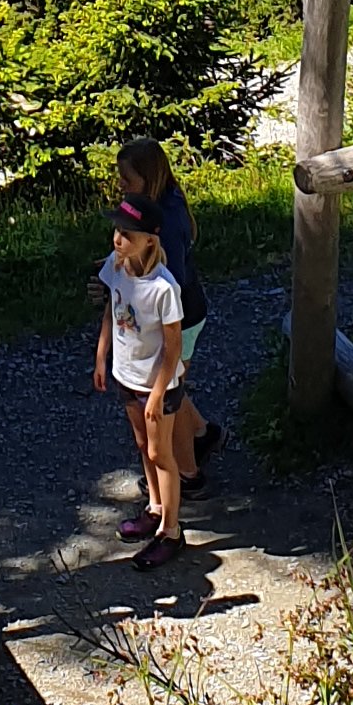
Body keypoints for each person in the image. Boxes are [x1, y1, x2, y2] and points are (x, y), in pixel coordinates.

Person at [114, 135, 222, 496]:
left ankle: (189, 475)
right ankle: (204, 434)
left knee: (168, 393)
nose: (121, 186)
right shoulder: (157, 205)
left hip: (181, 318)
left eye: (127, 180)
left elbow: (166, 279)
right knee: (172, 384)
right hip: (176, 314)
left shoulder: (168, 222)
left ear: (148, 178)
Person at [95, 202, 189, 572]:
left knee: (160, 453)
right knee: (141, 446)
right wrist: (101, 356)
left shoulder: (164, 288)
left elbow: (173, 346)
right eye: (116, 232)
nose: (118, 239)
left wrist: (158, 391)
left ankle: (171, 529)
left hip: (157, 385)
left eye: (127, 235)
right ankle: (154, 506)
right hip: (127, 375)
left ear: (150, 241)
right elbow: (110, 310)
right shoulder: (116, 266)